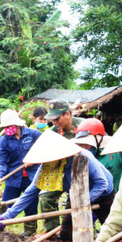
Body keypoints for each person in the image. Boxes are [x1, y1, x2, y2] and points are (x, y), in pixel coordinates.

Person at [0, 130, 122, 242]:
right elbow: (31, 192)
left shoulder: (83, 157)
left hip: (103, 194)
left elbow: (102, 183)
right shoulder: (48, 167)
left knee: (114, 234)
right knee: (66, 234)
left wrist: (84, 201)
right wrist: (7, 216)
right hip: (75, 195)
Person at [37, 99, 84, 234]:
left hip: (85, 175)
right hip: (63, 174)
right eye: (51, 119)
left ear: (68, 114)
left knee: (76, 202)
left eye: (57, 118)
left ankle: (82, 234)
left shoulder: (83, 126)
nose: (54, 122)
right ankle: (52, 232)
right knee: (45, 196)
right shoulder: (53, 133)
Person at [0, 109, 42, 237]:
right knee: (7, 204)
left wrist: (33, 159)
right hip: (13, 178)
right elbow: (3, 162)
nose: (7, 129)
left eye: (9, 126)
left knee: (31, 205)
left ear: (17, 124)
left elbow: (45, 149)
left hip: (31, 177)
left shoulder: (34, 135)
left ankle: (29, 233)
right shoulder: (4, 141)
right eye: (5, 127)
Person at [73, 118, 122, 190]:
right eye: (80, 144)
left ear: (98, 140)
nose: (84, 147)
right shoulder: (79, 157)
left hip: (117, 197)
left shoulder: (115, 151)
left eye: (86, 143)